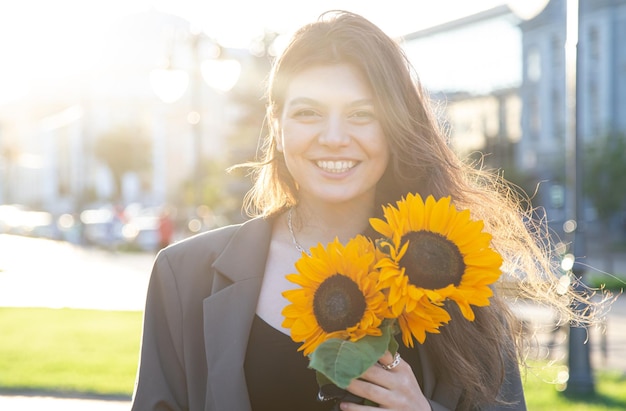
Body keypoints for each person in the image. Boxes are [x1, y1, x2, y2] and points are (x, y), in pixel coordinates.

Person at [130, 10, 604, 411]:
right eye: (308, 112)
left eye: (362, 114)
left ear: (395, 127)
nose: (334, 137)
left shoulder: (457, 274)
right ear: (276, 125)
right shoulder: (183, 276)